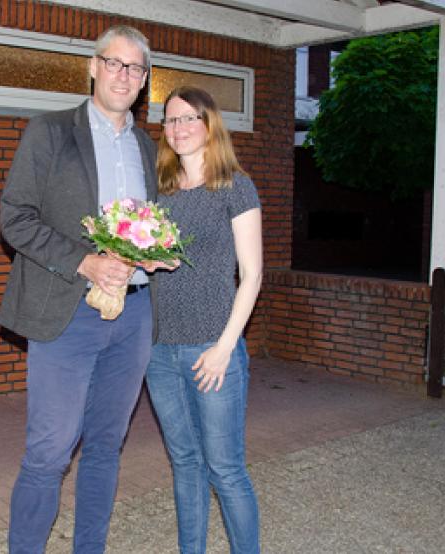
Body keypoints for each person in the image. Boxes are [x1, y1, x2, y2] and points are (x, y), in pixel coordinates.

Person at [0, 25, 157, 553]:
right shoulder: (49, 132)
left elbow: (146, 228)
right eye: (114, 63)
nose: (123, 75)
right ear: (92, 66)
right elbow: (14, 219)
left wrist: (155, 255)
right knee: (49, 451)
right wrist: (85, 262)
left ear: (144, 81)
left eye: (135, 68)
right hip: (66, 313)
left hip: (132, 318)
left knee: (107, 447)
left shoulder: (146, 147)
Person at [146, 86, 263, 553]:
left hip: (213, 349)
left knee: (225, 468)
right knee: (184, 462)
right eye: (170, 120)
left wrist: (224, 347)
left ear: (209, 123)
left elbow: (252, 275)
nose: (178, 128)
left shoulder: (235, 185)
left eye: (188, 118)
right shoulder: (162, 192)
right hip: (159, 351)